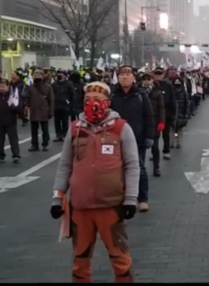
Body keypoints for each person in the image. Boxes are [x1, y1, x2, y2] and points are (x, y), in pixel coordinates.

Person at [50, 81, 139, 283]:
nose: (93, 104)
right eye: (88, 100)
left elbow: (132, 165)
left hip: (111, 205)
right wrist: (58, 197)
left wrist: (131, 199)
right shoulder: (74, 129)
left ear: (107, 102)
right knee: (80, 260)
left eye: (97, 100)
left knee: (120, 258)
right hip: (80, 207)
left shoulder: (121, 128)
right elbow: (65, 165)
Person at [110, 65, 155, 213]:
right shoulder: (112, 95)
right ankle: (122, 198)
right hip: (115, 138)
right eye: (122, 74)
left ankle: (142, 199)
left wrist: (149, 135)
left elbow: (149, 116)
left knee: (139, 169)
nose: (125, 77)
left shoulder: (141, 95)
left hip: (137, 138)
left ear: (133, 77)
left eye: (128, 74)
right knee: (116, 170)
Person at [0, 78, 21, 163]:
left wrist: (15, 108)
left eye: (4, 86)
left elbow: (19, 108)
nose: (2, 88)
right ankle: (0, 155)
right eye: (0, 86)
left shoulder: (12, 96)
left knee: (13, 139)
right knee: (0, 140)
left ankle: (16, 155)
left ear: (8, 86)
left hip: (10, 121)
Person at [23, 69, 55, 152]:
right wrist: (27, 107)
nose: (37, 75)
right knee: (34, 129)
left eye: (39, 74)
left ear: (42, 76)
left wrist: (51, 111)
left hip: (44, 110)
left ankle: (45, 144)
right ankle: (34, 144)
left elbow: (51, 100)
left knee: (45, 129)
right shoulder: (30, 87)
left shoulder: (47, 87)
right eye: (35, 74)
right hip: (33, 110)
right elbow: (27, 99)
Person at [141, 73, 166, 177]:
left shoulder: (157, 93)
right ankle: (141, 168)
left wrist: (162, 121)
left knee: (155, 147)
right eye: (145, 79)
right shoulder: (139, 92)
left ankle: (156, 167)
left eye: (149, 79)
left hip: (154, 122)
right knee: (140, 148)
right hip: (141, 123)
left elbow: (161, 108)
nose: (147, 81)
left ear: (152, 80)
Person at [152, 67, 177, 161]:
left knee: (166, 134)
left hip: (166, 113)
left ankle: (166, 151)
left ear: (163, 75)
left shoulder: (168, 86)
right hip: (154, 114)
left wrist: (174, 114)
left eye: (160, 74)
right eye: (156, 73)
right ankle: (154, 152)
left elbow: (172, 100)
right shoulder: (151, 86)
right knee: (154, 135)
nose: (158, 76)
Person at [52, 70, 76, 142]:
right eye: (59, 74)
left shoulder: (69, 84)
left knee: (65, 121)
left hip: (65, 106)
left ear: (65, 76)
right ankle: (58, 134)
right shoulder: (54, 84)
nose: (60, 76)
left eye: (61, 75)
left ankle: (64, 134)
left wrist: (71, 104)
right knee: (57, 121)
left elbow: (73, 94)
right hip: (56, 105)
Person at [170, 76, 189, 149]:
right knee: (172, 128)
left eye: (178, 81)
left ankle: (178, 143)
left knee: (180, 128)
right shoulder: (171, 91)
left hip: (181, 112)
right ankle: (171, 143)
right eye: (176, 81)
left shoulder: (184, 92)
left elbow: (186, 103)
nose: (177, 83)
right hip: (173, 111)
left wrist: (186, 114)